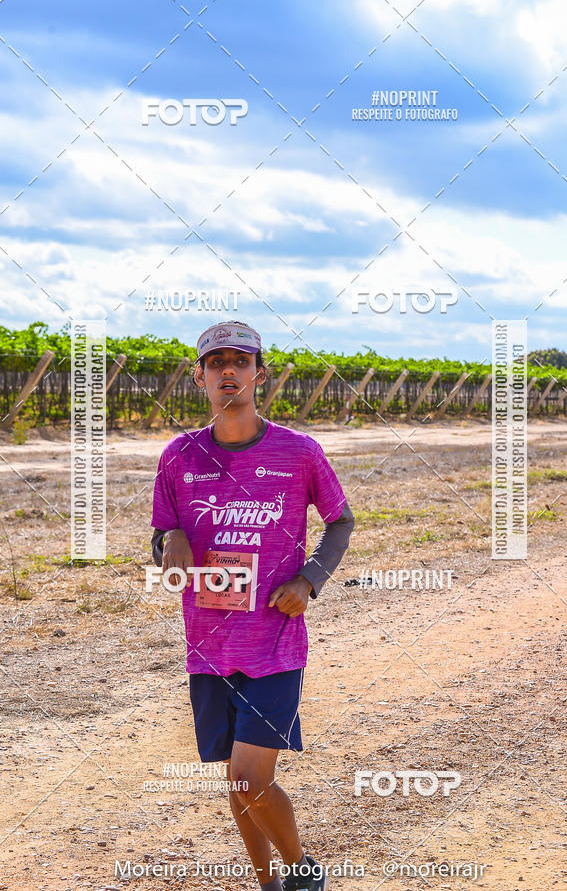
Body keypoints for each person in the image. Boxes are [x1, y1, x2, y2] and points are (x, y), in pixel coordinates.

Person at [150, 320, 354, 891]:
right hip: (209, 648)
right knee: (237, 786)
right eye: (217, 363)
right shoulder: (177, 457)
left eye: (241, 361)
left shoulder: (299, 452)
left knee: (248, 781)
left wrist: (310, 580)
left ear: (259, 374)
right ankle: (268, 885)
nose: (229, 371)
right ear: (200, 377)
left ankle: (302, 872)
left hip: (274, 642)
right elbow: (163, 535)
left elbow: (340, 521)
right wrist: (170, 544)